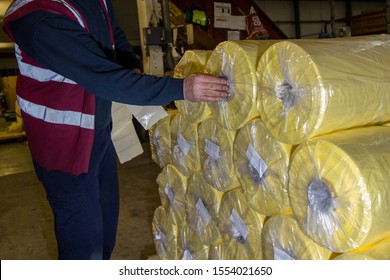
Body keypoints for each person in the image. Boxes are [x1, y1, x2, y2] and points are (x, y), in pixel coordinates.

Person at [2, 0, 228, 260]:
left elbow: (113, 34)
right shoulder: (40, 20)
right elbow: (104, 77)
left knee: (106, 228)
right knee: (84, 245)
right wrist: (182, 89)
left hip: (97, 133)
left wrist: (127, 60)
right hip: (63, 147)